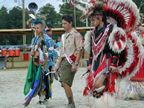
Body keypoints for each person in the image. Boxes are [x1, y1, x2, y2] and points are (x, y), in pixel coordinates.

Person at [75, 0, 144, 99]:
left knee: (99, 85)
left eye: (94, 17)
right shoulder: (92, 32)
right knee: (96, 88)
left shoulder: (111, 29)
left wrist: (114, 64)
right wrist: (90, 64)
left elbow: (116, 49)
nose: (91, 20)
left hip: (107, 61)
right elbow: (91, 50)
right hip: (96, 62)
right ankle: (104, 102)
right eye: (91, 18)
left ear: (101, 17)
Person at [23, 18, 57, 106]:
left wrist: (45, 58)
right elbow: (32, 51)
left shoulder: (48, 39)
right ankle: (40, 97)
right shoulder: (34, 39)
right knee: (35, 81)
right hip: (36, 64)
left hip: (47, 64)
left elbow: (52, 53)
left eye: (38, 28)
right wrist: (32, 53)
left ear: (43, 27)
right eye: (34, 28)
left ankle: (43, 98)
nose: (36, 30)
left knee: (44, 81)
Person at [55, 15, 83, 108]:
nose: (63, 25)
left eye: (65, 23)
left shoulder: (76, 34)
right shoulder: (63, 36)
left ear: (70, 23)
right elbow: (61, 51)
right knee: (64, 83)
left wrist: (75, 63)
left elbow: (79, 49)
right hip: (63, 61)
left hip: (70, 61)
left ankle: (71, 104)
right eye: (62, 23)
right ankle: (70, 102)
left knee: (65, 82)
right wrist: (57, 64)